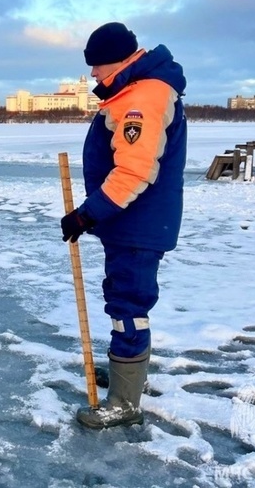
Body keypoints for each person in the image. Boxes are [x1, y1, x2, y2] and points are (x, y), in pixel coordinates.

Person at [60, 22, 187, 428]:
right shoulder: (133, 91)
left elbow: (134, 171)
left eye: (97, 65)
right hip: (128, 223)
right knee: (122, 298)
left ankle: (126, 402)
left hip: (137, 225)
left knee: (128, 306)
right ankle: (125, 375)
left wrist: (87, 213)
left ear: (120, 59)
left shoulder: (144, 98)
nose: (93, 74)